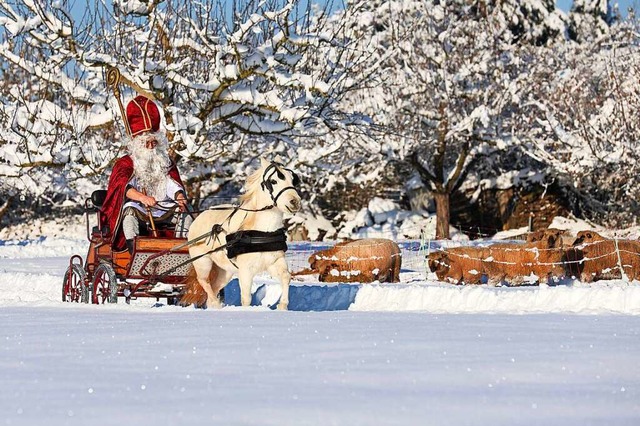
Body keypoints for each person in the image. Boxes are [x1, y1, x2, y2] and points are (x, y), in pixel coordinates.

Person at [100, 95, 191, 253]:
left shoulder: (164, 161)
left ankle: (180, 249)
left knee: (186, 214)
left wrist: (179, 196)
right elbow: (123, 187)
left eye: (154, 142)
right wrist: (142, 198)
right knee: (129, 211)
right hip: (140, 208)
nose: (151, 147)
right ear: (137, 144)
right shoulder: (125, 163)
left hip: (163, 207)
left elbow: (171, 183)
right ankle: (134, 249)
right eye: (146, 143)